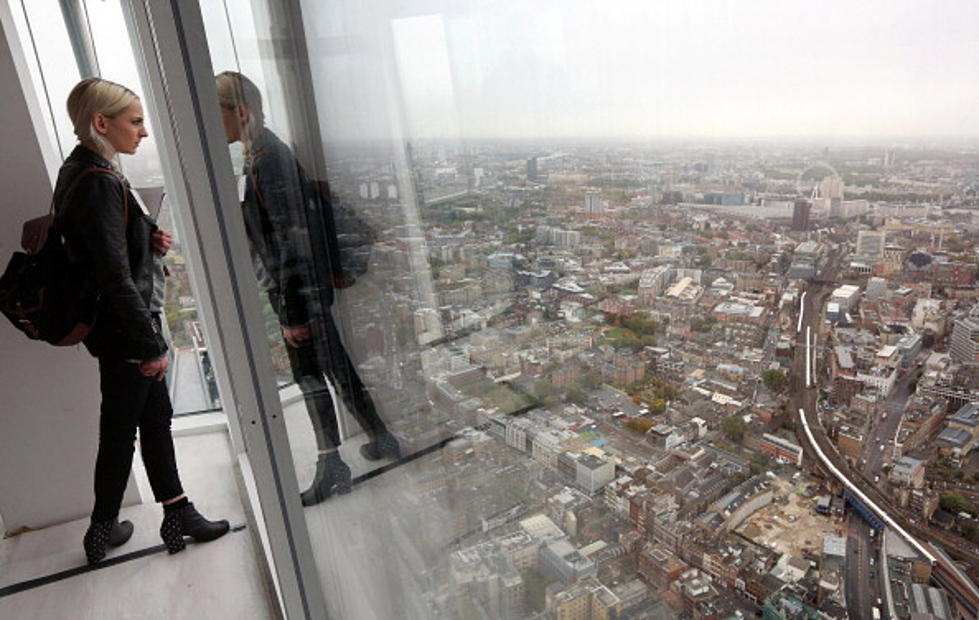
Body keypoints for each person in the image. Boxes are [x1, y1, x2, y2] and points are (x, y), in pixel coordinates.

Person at [58, 78, 229, 564]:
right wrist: (148, 345)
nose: (144, 132)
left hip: (117, 328)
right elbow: (110, 273)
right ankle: (102, 531)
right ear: (100, 123)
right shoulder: (98, 181)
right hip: (125, 330)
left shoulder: (80, 169)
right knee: (122, 429)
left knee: (151, 420)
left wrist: (144, 239)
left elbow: (99, 251)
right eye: (135, 121)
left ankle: (176, 514)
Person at [214, 71, 400, 506]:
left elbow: (291, 239)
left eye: (215, 112)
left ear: (240, 112)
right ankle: (380, 437)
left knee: (311, 377)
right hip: (306, 289)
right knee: (335, 368)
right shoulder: (264, 152)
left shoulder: (266, 159)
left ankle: (330, 463)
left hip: (300, 294)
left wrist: (293, 314)